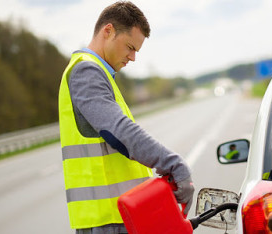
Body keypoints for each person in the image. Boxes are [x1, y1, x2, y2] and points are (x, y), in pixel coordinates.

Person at [58, 2, 194, 233]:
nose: (132, 58)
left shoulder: (99, 73)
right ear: (108, 31)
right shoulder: (86, 71)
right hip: (107, 219)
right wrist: (173, 163)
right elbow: (119, 130)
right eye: (130, 47)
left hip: (120, 214)